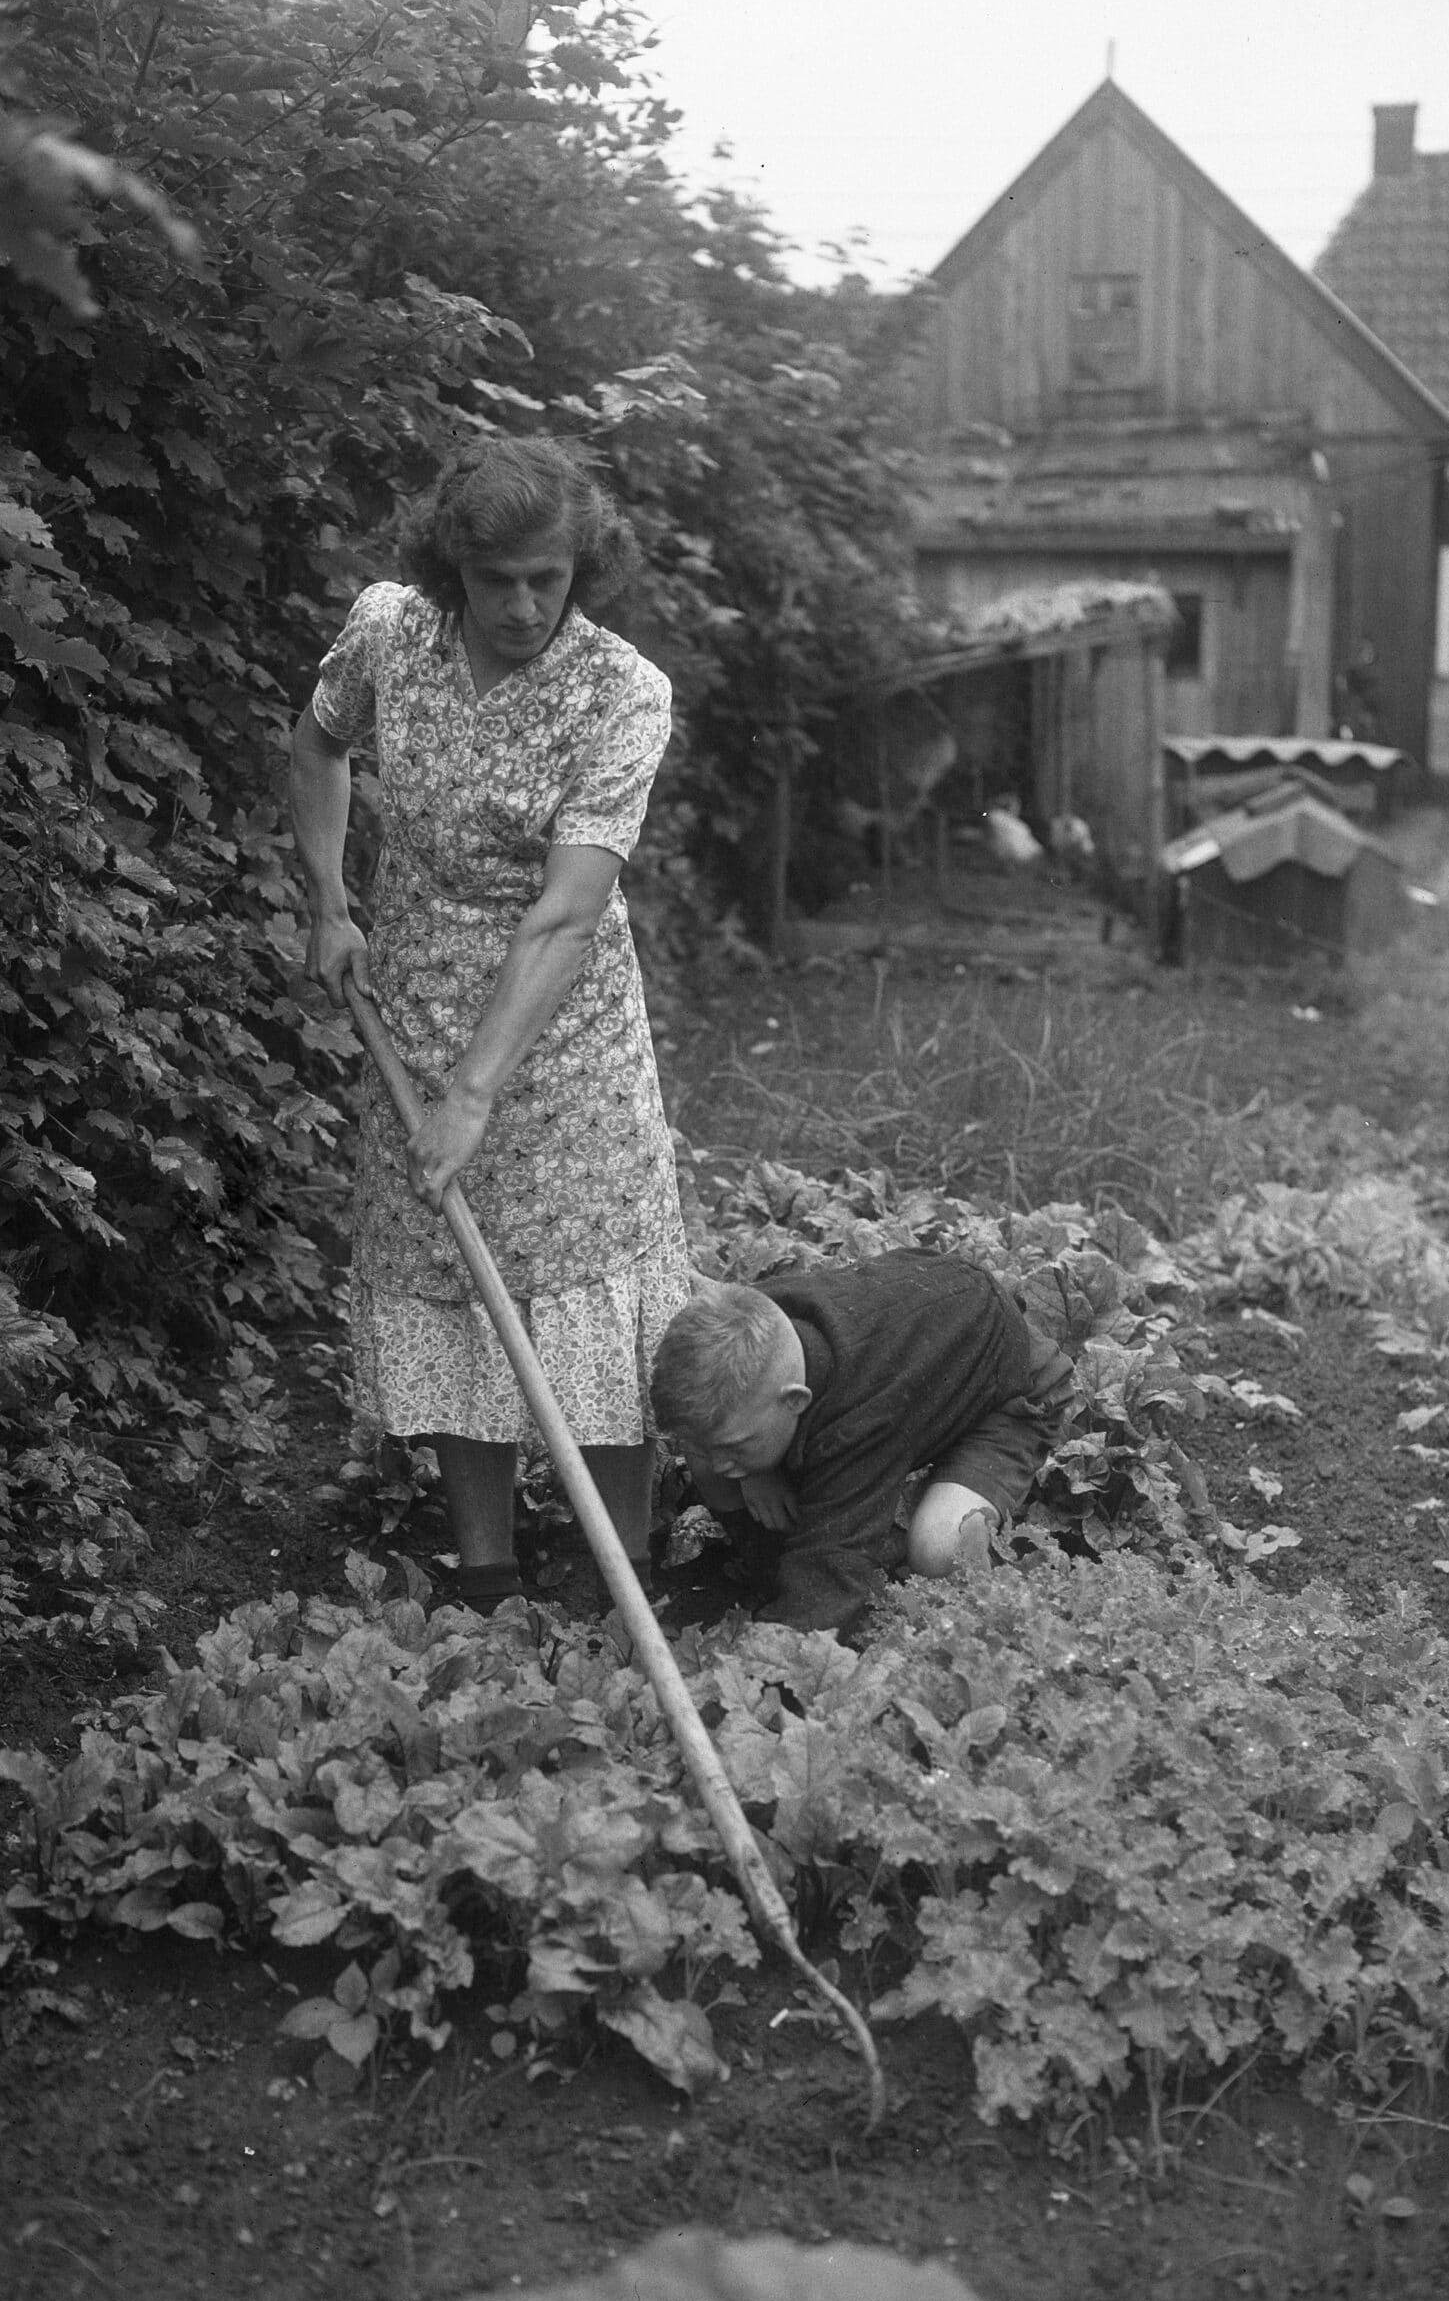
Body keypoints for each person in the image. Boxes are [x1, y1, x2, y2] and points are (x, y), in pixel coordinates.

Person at [289, 435, 692, 1611]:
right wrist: (330, 902)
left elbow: (567, 912)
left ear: (582, 570)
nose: (523, 606)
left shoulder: (621, 692)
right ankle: (486, 1569)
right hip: (410, 996)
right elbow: (318, 743)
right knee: (452, 1274)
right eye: (496, 579)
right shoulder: (388, 632)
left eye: (548, 580)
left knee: (587, 1286)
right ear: (450, 568)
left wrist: (476, 1090)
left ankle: (615, 1573)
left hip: (561, 1031)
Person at [649, 1251, 1074, 1640]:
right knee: (707, 1450)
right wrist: (757, 1469)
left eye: (737, 1446)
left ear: (795, 1400)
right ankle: (769, 1561)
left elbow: (833, 1570)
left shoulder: (862, 1423)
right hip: (935, 1330)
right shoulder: (754, 1321)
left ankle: (995, 1622)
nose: (724, 1464)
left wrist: (766, 1663)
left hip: (1009, 1390)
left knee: (938, 1548)